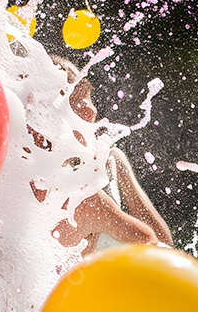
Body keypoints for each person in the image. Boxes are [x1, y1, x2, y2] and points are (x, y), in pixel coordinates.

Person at [44, 56, 172, 253]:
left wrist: (122, 174)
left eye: (87, 97)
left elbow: (163, 246)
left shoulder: (105, 166)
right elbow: (159, 248)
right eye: (78, 99)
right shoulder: (76, 194)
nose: (91, 110)